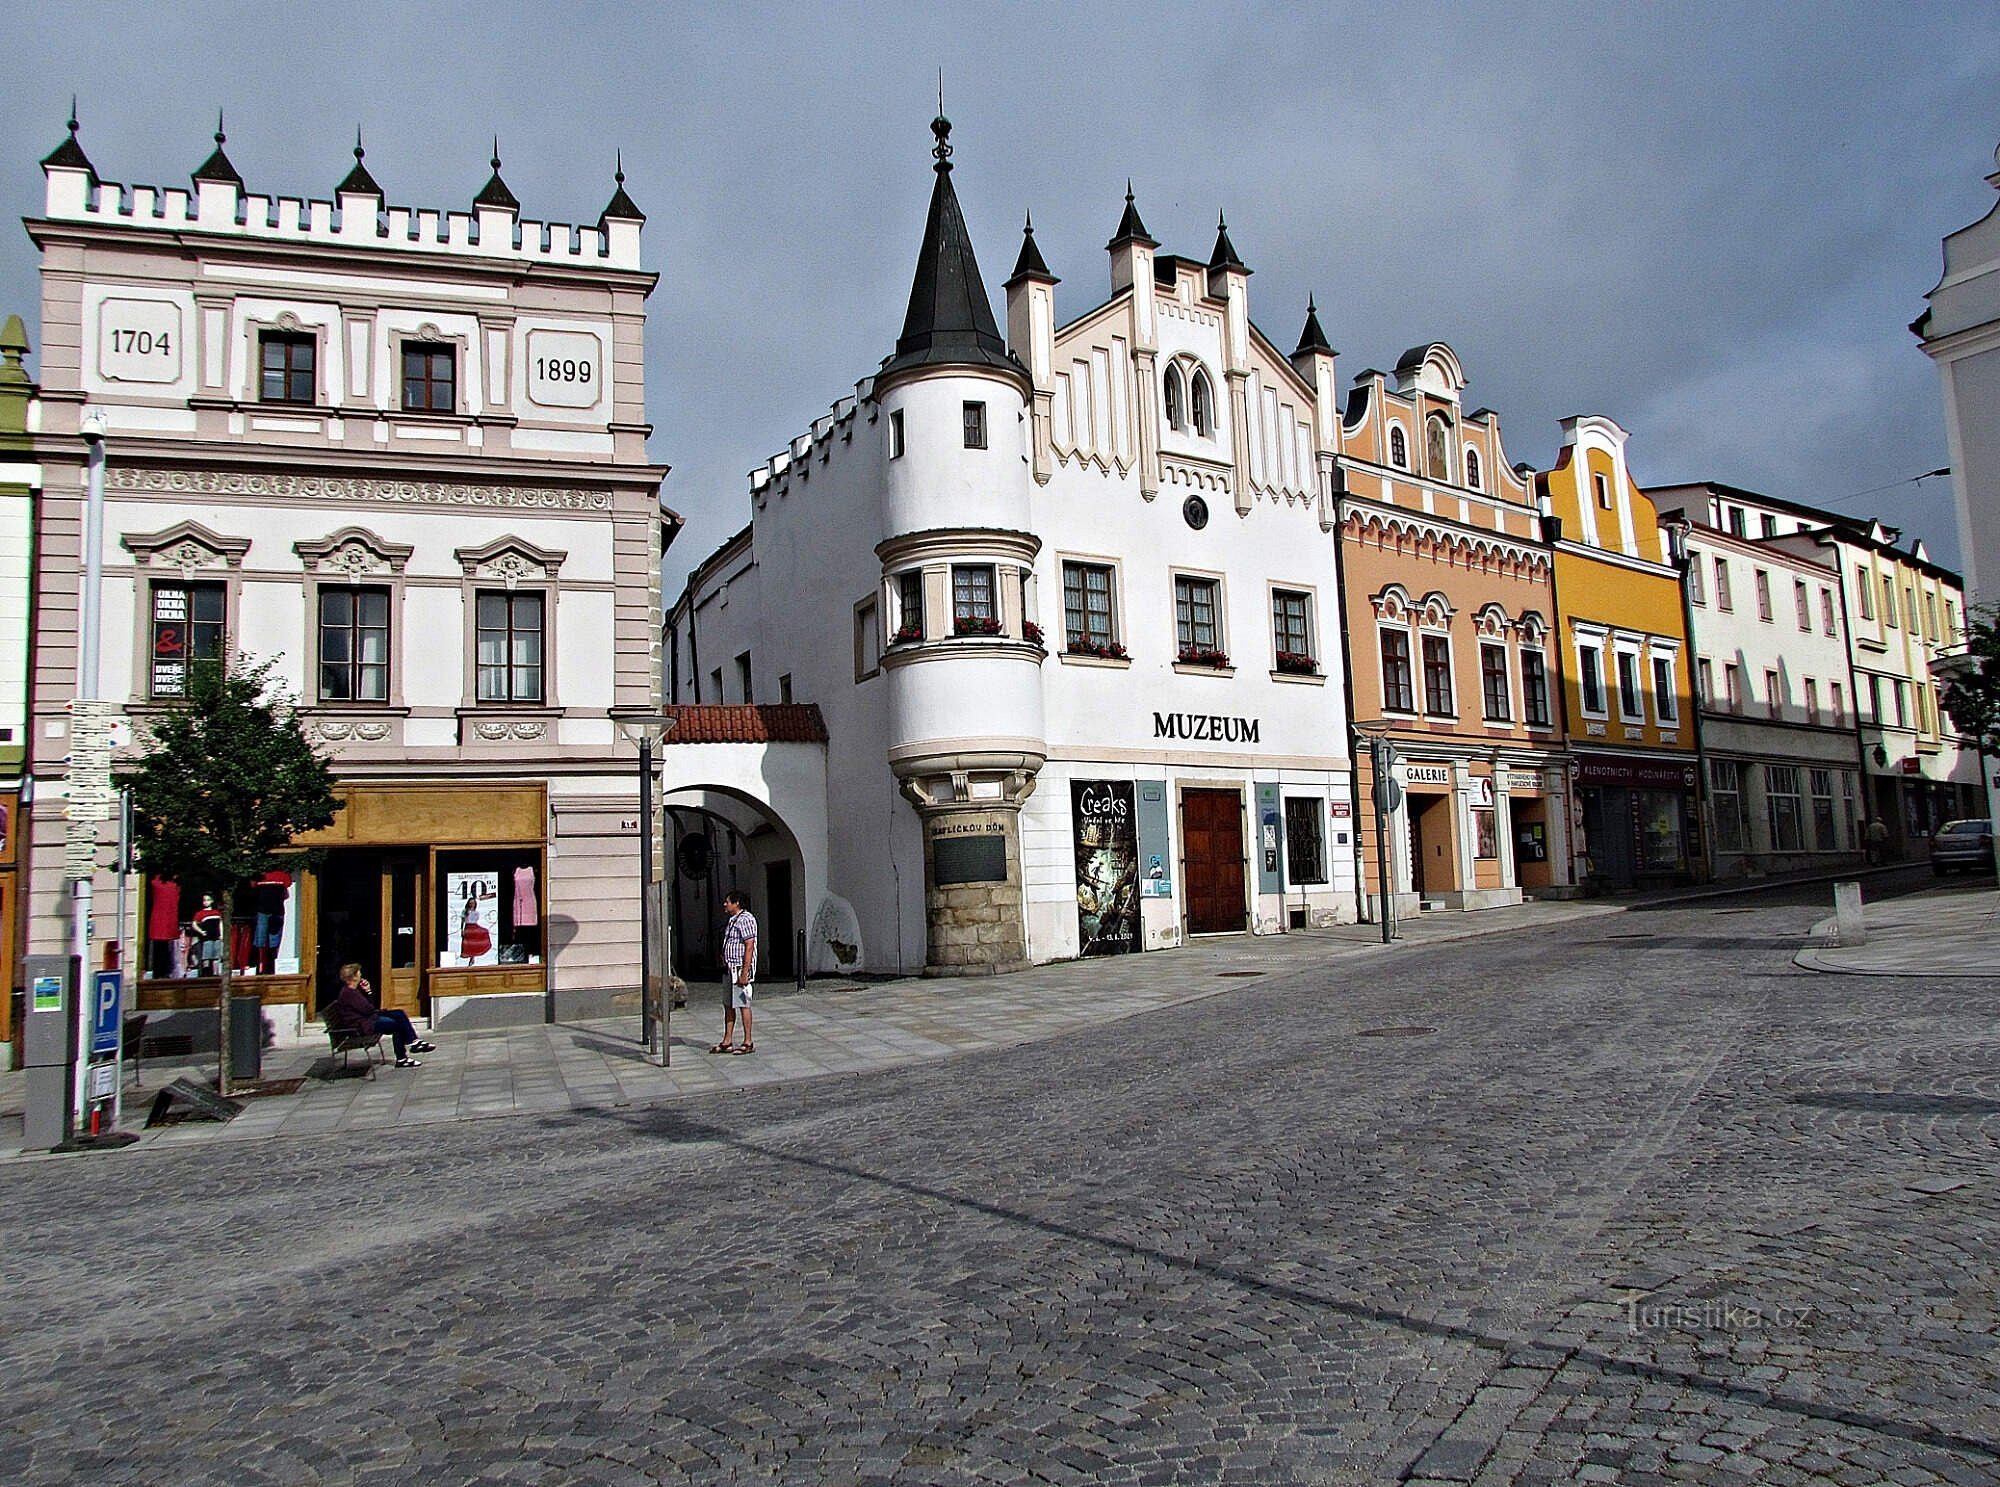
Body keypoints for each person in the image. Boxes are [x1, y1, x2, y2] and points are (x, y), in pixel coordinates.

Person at [329, 962, 435, 1067]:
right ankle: (402, 1058)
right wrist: (368, 993)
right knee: (396, 1025)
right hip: (361, 1026)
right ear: (354, 977)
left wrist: (367, 991)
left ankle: (414, 1042)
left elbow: (369, 1008)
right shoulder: (349, 993)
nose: (361, 974)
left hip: (368, 1019)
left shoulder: (353, 991)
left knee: (399, 1013)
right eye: (359, 973)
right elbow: (368, 1009)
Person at [710, 890, 758, 1054]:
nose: (725, 904)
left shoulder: (746, 919)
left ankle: (748, 1041)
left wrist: (745, 971)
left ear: (736, 903)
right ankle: (727, 1040)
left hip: (739, 968)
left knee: (743, 1003)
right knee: (728, 1004)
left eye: (727, 901)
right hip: (729, 968)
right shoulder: (732, 920)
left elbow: (749, 945)